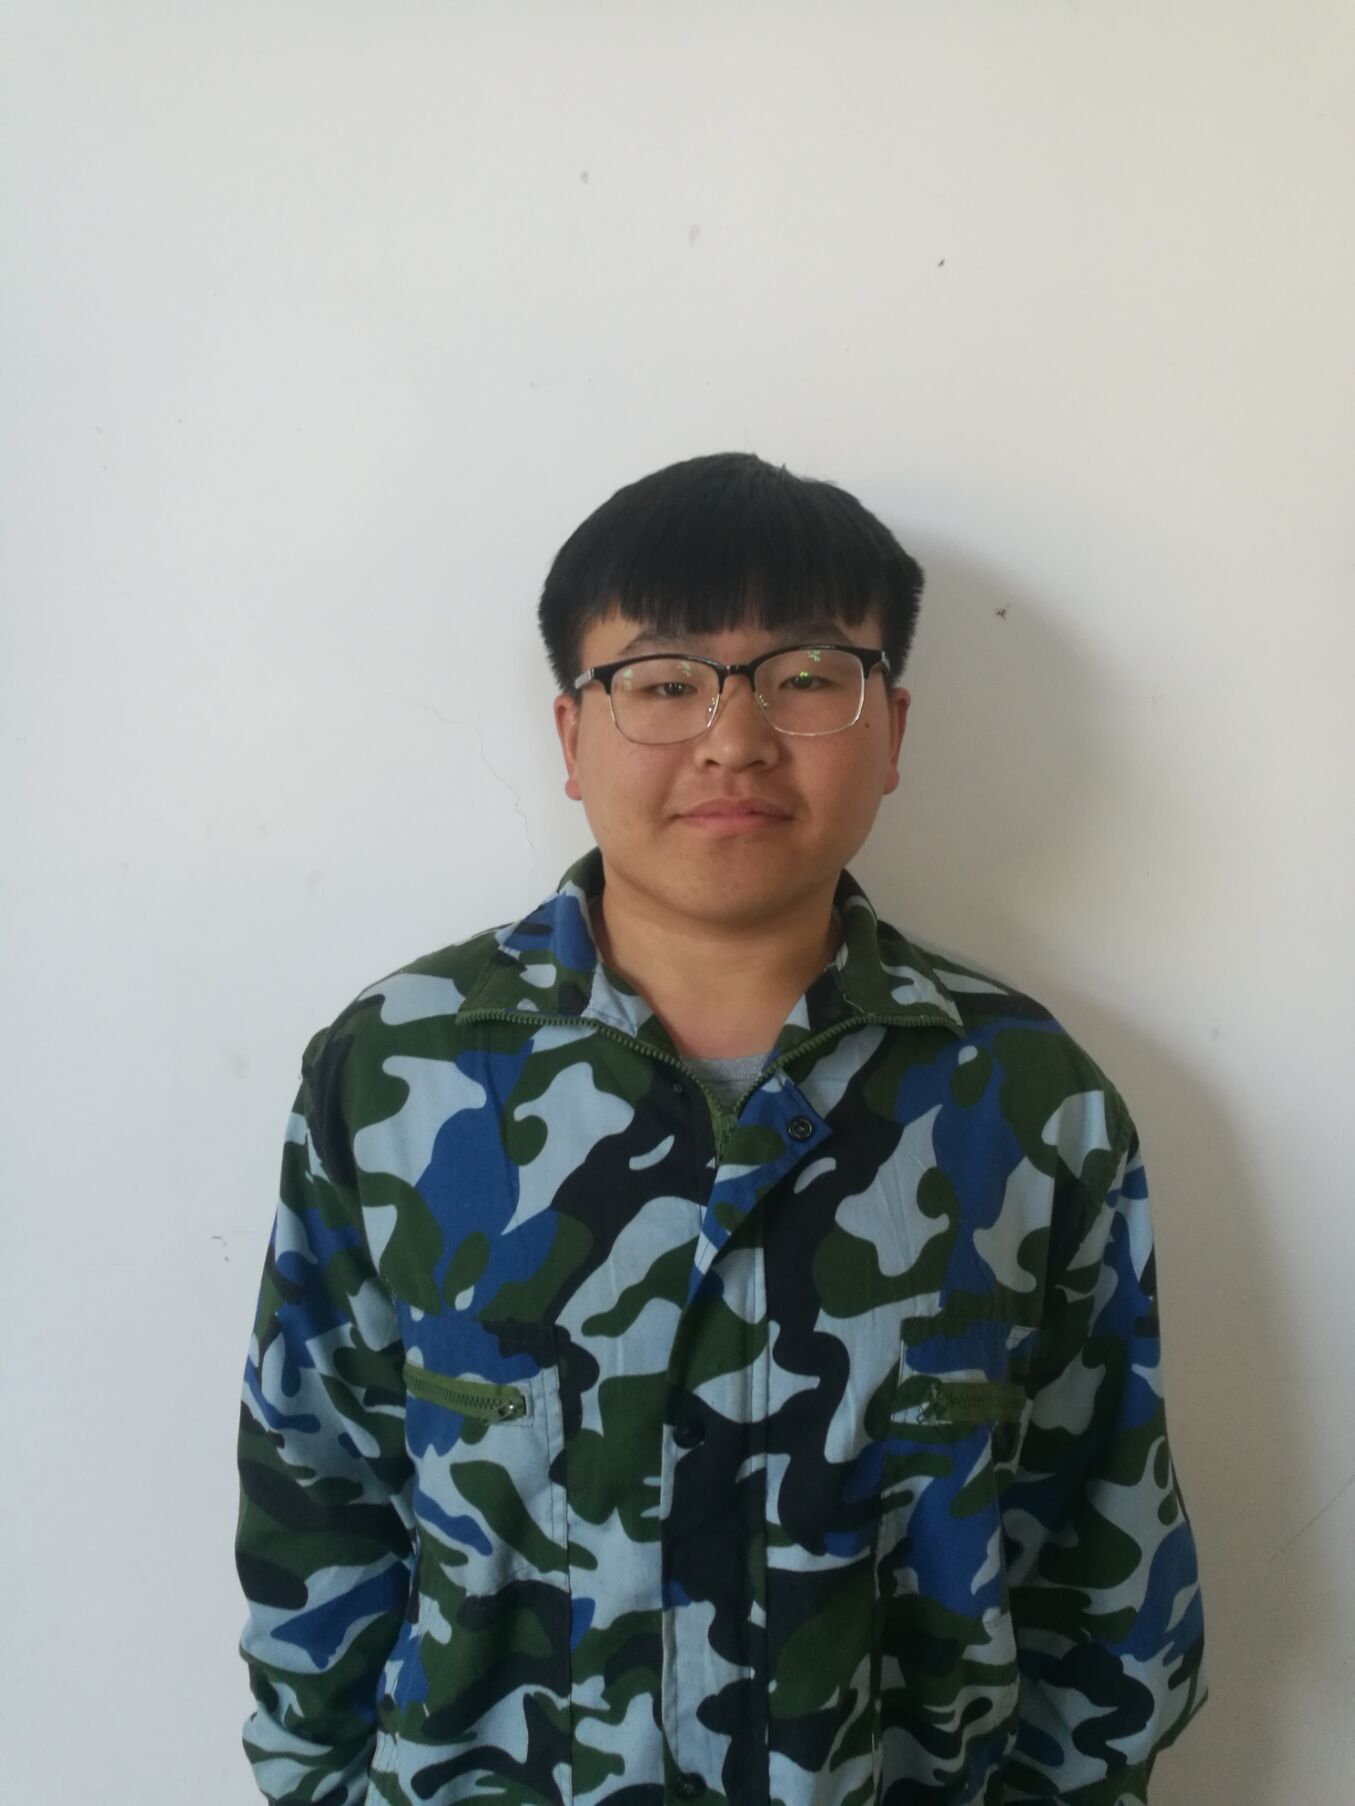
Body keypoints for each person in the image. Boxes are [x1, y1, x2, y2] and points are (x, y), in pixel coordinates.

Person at [235, 452, 1208, 1806]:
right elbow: (314, 1501)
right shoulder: (397, 1073)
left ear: (892, 728)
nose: (734, 738)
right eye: (663, 681)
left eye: (805, 677)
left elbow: (1105, 1566)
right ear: (572, 735)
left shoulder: (1031, 1105)